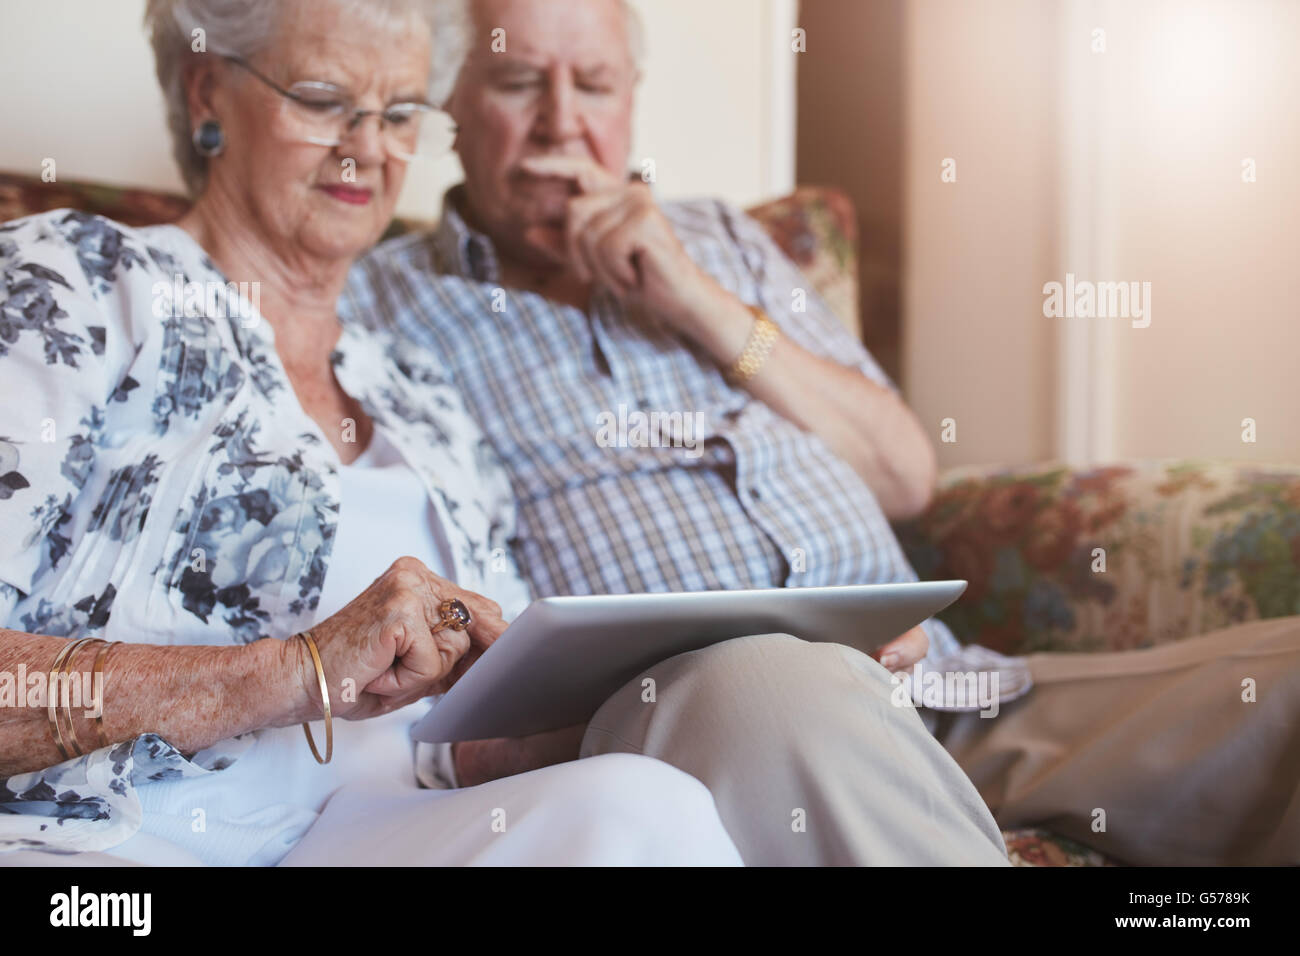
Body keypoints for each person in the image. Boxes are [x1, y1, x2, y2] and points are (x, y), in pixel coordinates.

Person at [0, 0, 1009, 867]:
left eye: (400, 112)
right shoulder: (72, 285)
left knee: (638, 807)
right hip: (121, 843)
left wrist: (799, 655)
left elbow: (470, 751)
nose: (368, 146)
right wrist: (295, 668)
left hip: (364, 829)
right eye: (321, 100)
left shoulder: (417, 389)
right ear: (206, 91)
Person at [343, 0, 1300, 865]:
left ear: (630, 98)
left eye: (593, 84)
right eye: (518, 82)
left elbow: (906, 476)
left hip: (945, 693)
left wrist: (699, 303)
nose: (563, 122)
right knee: (774, 692)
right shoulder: (377, 304)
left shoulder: (717, 243)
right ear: (450, 108)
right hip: (726, 716)